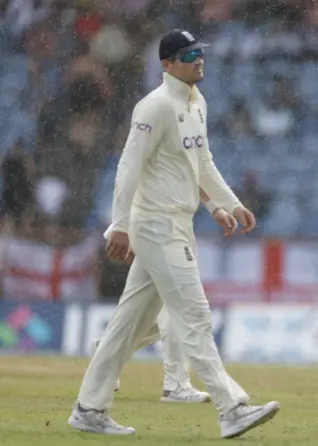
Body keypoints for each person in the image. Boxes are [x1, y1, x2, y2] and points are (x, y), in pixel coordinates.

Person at [67, 29, 280, 438]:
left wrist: (226, 203)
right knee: (194, 314)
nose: (199, 59)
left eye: (200, 52)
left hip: (179, 223)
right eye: (189, 55)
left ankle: (89, 409)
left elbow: (202, 162)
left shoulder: (196, 102)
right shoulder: (155, 106)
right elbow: (129, 165)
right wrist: (120, 225)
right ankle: (232, 408)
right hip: (156, 225)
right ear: (167, 65)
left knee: (126, 326)